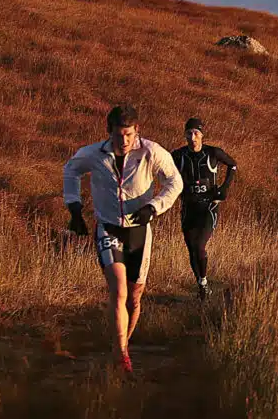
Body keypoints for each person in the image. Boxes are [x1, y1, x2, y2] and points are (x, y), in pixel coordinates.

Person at [63, 105, 182, 375]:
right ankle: (121, 360)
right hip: (108, 228)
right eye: (118, 135)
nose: (123, 141)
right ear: (109, 133)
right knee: (118, 291)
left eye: (128, 134)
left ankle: (122, 347)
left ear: (136, 131)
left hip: (140, 231)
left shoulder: (151, 152)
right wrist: (74, 208)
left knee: (134, 299)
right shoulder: (94, 154)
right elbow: (71, 170)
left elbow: (175, 182)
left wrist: (154, 206)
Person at [171, 118, 238, 301]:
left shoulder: (212, 153)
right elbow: (162, 169)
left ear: (202, 135)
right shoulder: (178, 156)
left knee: (199, 245)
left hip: (208, 207)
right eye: (189, 133)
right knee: (192, 248)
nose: (192, 137)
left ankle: (203, 283)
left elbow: (233, 165)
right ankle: (202, 284)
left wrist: (224, 189)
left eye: (196, 133)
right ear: (184, 135)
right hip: (188, 207)